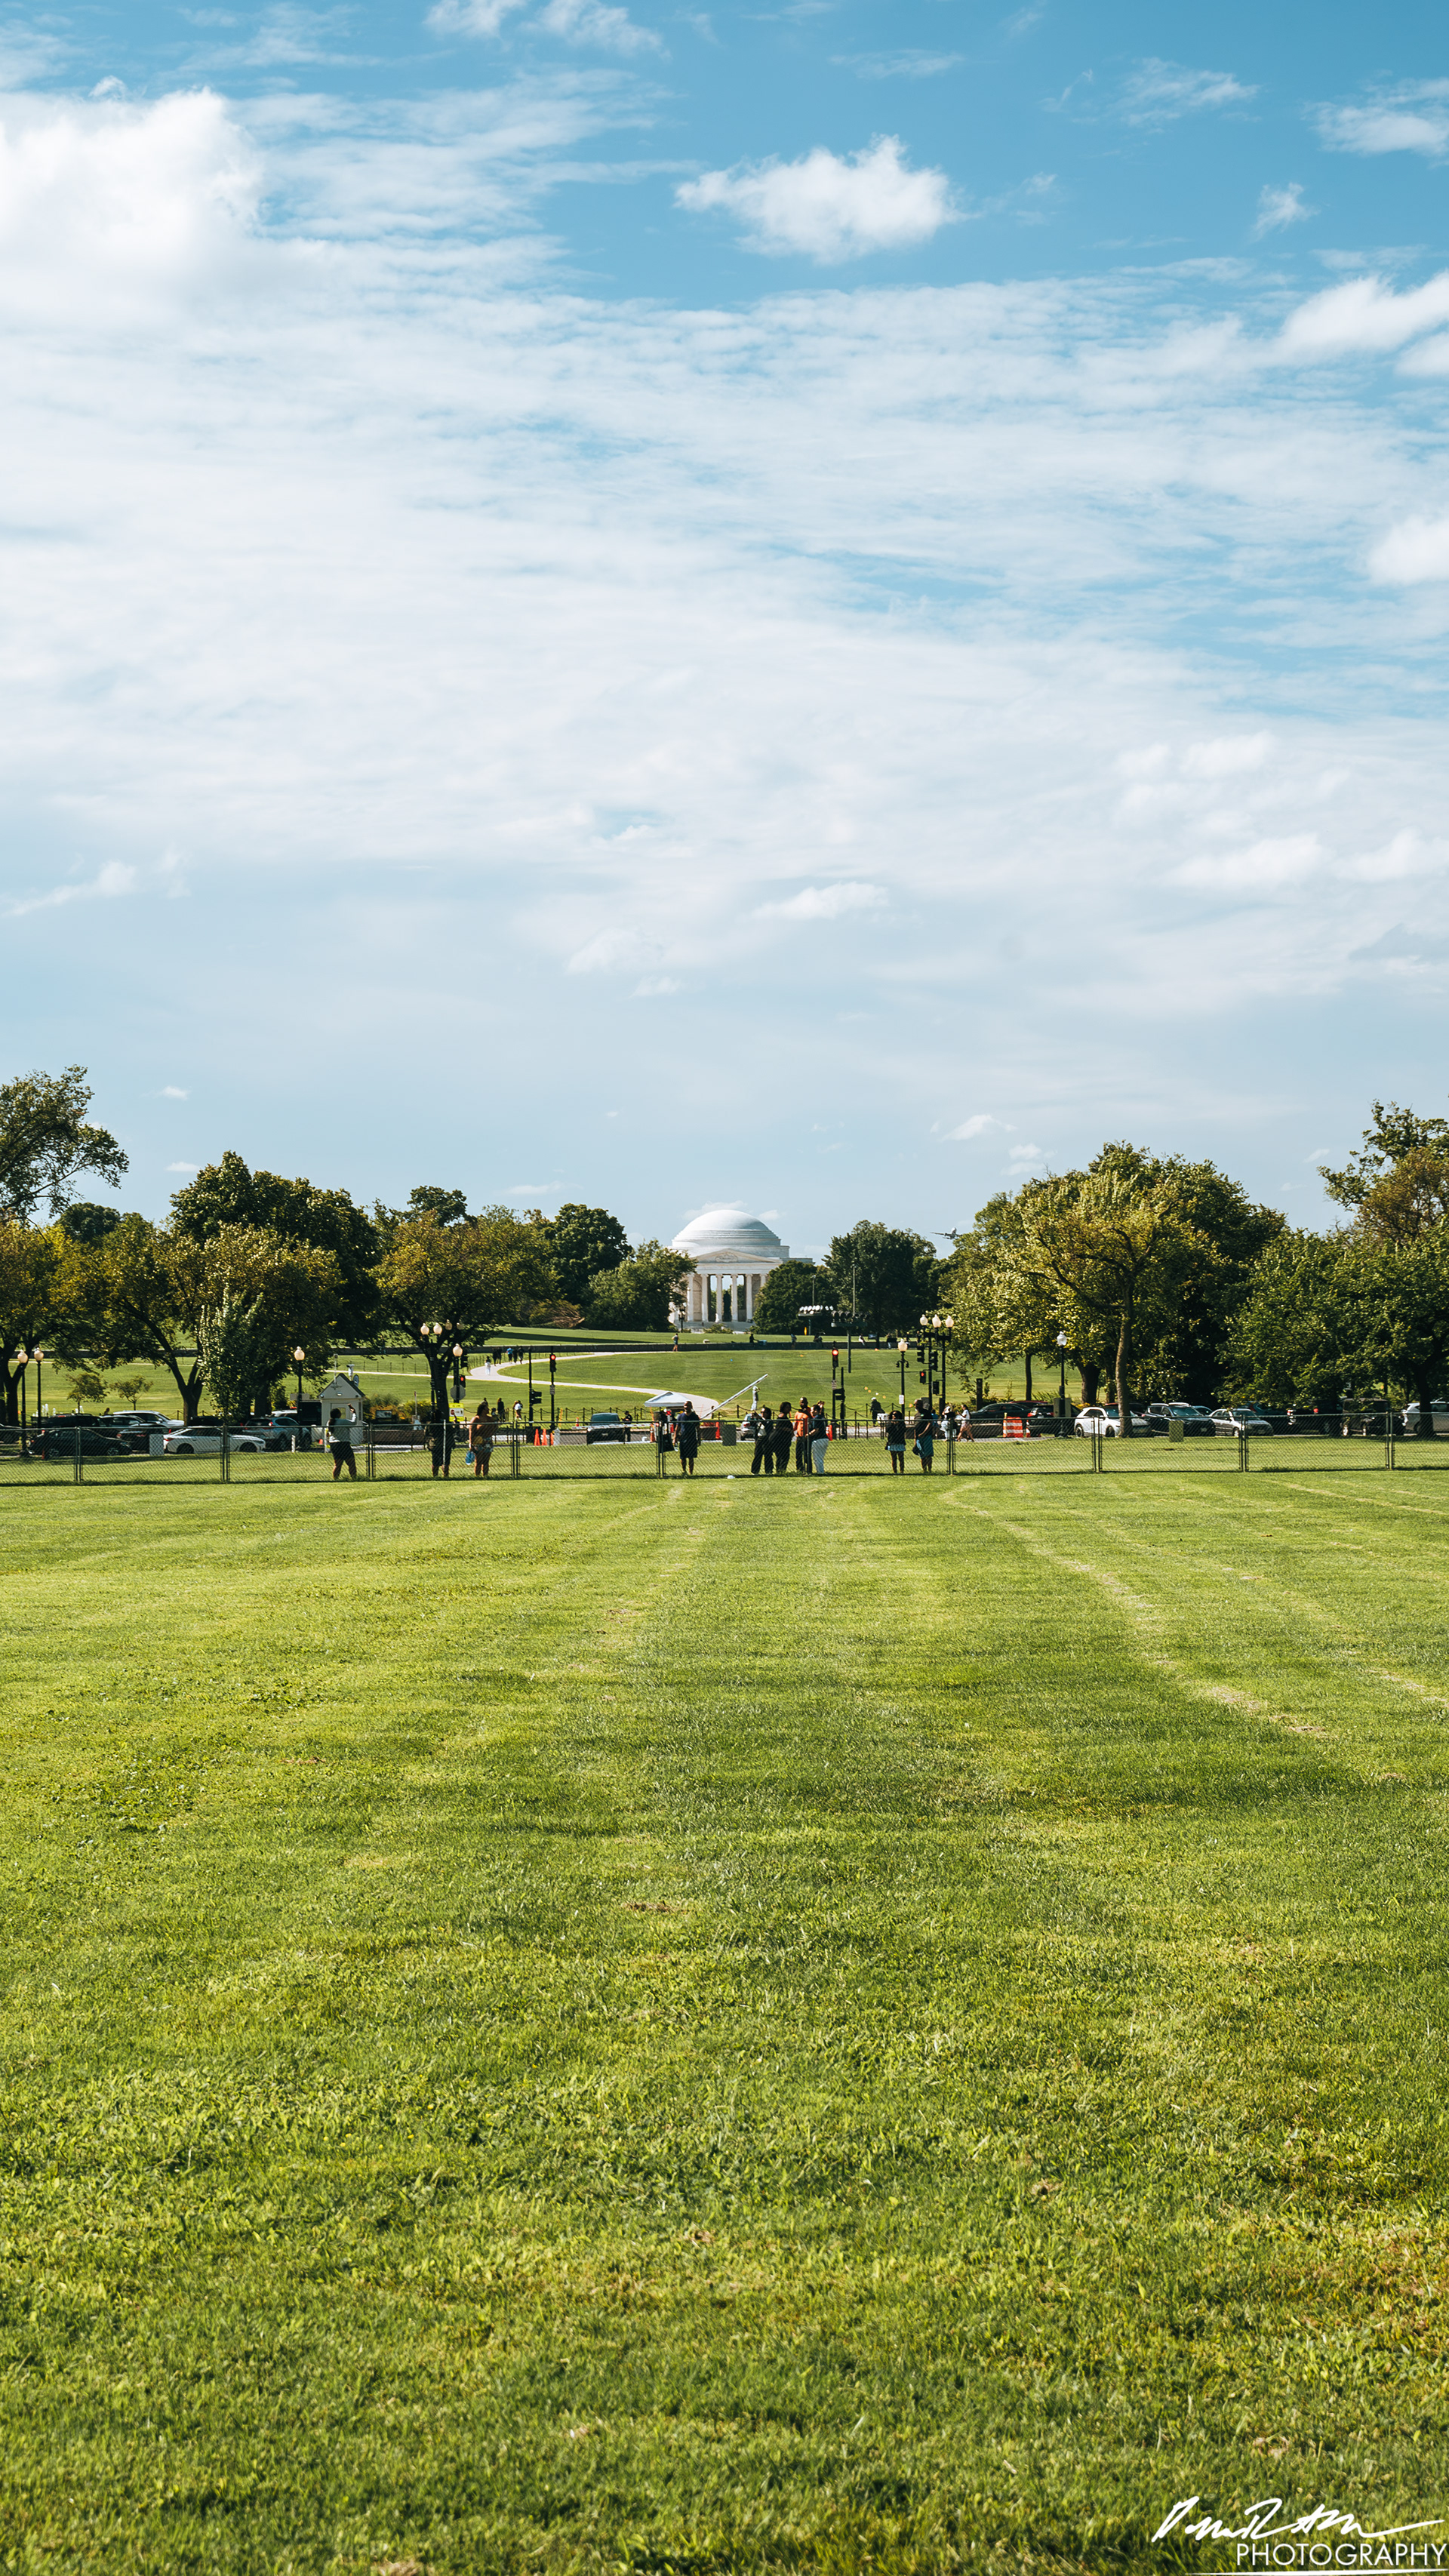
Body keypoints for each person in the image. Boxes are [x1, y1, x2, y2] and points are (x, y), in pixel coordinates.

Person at [328, 1406, 357, 1482]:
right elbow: (354, 1423)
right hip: (344, 1443)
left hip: (334, 1445)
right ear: (338, 1414)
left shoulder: (329, 1422)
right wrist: (354, 1414)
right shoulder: (343, 1421)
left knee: (338, 1464)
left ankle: (335, 1479)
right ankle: (354, 1478)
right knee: (351, 1463)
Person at [467, 1402, 494, 1479]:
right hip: (478, 1442)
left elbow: (494, 1428)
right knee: (479, 1461)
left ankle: (485, 1476)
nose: (488, 1410)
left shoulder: (490, 1419)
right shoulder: (476, 1419)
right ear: (482, 1410)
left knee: (486, 1461)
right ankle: (477, 1476)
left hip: (487, 1441)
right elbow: (471, 1431)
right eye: (486, 1408)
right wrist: (471, 1443)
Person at [677, 1401, 700, 1477]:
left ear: (691, 1407)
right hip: (683, 1439)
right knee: (683, 1457)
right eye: (685, 1406)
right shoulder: (680, 1416)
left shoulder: (694, 1417)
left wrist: (699, 1439)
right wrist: (675, 1438)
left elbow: (698, 1428)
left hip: (692, 1439)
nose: (686, 1408)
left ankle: (691, 1473)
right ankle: (684, 1471)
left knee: (691, 1457)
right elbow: (678, 1428)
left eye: (688, 1406)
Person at [771, 1402, 793, 1476]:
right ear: (783, 1408)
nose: (789, 1409)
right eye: (787, 1407)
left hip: (784, 1440)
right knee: (783, 1456)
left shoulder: (784, 1416)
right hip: (781, 1440)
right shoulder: (782, 1416)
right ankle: (781, 1471)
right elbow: (778, 1426)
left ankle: (780, 1471)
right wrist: (789, 1430)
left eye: (789, 1407)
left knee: (781, 1456)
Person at [885, 1405, 907, 1474]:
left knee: (901, 1458)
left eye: (896, 1415)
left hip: (900, 1442)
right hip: (892, 1442)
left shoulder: (901, 1423)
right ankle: (895, 1472)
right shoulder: (889, 1423)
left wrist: (898, 1424)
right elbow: (888, 1430)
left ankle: (902, 1471)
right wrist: (892, 1424)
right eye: (893, 1415)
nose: (895, 1416)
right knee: (894, 1459)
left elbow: (903, 1430)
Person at [915, 1405, 937, 1473]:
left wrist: (924, 1433)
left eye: (918, 1404)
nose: (916, 1406)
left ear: (921, 1404)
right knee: (922, 1455)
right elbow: (915, 1427)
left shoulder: (927, 1413)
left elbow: (930, 1423)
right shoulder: (916, 1415)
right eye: (915, 1404)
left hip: (927, 1436)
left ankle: (930, 1470)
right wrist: (915, 1439)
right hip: (918, 1438)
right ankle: (924, 1470)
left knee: (928, 1455)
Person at [810, 1402, 829, 1476]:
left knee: (817, 1458)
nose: (811, 1412)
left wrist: (808, 1435)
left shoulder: (816, 1418)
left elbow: (816, 1430)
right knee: (820, 1457)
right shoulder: (822, 1417)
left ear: (815, 1411)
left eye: (812, 1410)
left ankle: (820, 1472)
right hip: (825, 1439)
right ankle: (821, 1471)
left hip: (818, 1439)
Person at [794, 1399, 811, 1473]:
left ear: (807, 1403)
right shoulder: (798, 1413)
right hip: (799, 1436)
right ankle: (800, 1469)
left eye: (804, 1402)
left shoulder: (810, 1411)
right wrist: (792, 1431)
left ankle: (809, 1470)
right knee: (798, 1454)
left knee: (807, 1454)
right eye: (801, 1402)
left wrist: (807, 1413)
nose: (802, 1404)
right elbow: (796, 1424)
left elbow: (813, 1419)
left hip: (807, 1436)